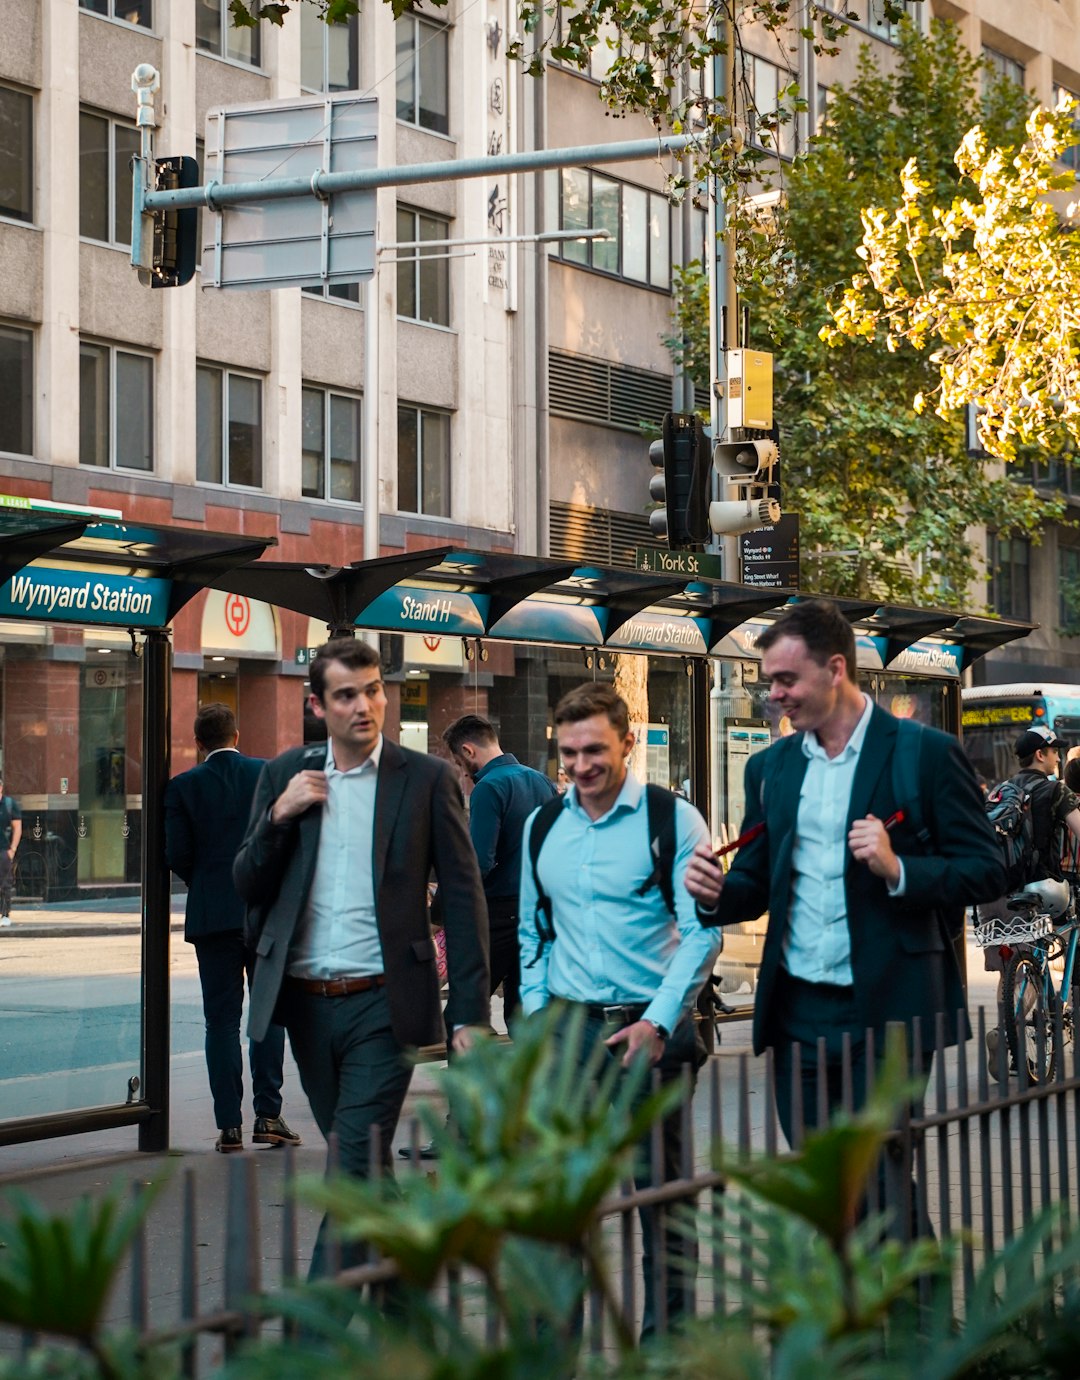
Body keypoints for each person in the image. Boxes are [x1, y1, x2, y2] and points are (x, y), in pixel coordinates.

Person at [684, 600, 1005, 1154]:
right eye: (771, 681)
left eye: (787, 679)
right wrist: (712, 893)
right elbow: (757, 884)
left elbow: (988, 871)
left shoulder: (926, 754)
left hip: (889, 1011)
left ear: (836, 669)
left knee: (877, 1182)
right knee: (822, 1187)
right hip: (798, 1013)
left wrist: (898, 868)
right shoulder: (770, 768)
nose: (775, 694)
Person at [234, 637, 490, 1280]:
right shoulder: (285, 774)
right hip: (306, 1007)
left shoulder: (425, 779)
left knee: (349, 1164)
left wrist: (468, 1014)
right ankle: (411, 1307)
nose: (364, 705)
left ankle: (313, 1338)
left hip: (385, 1006)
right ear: (318, 705)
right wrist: (279, 814)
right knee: (367, 1168)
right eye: (346, 694)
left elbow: (463, 899)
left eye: (373, 689)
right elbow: (245, 882)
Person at [518, 683, 721, 1338]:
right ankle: (559, 1346)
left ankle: (668, 1348)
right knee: (562, 1202)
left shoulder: (672, 820)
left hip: (650, 1028)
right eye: (569, 753)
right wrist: (537, 1015)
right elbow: (531, 933)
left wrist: (658, 1021)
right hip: (571, 1030)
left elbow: (702, 934)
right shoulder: (543, 825)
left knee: (661, 1201)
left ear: (628, 741)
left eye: (595, 750)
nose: (581, 767)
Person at [165, 704, 299, 1155]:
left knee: (219, 1020)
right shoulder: (267, 775)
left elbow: (177, 854)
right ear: (237, 735)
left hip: (212, 916)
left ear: (198, 741)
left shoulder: (181, 787)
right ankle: (268, 1114)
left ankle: (229, 1127)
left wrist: (206, 883)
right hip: (264, 911)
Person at [442, 713, 557, 1024]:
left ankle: (470, 1073)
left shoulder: (489, 788)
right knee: (525, 1017)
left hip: (497, 916)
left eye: (457, 760)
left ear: (468, 751)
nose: (460, 770)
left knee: (466, 1014)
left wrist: (442, 908)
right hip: (538, 915)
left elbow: (478, 862)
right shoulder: (543, 782)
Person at [981, 724, 1080, 1077]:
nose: (1058, 756)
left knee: (1014, 966)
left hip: (993, 892)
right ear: (1041, 754)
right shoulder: (1055, 791)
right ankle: (1010, 1032)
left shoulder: (999, 790)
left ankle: (1008, 1031)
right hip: (1039, 888)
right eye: (1054, 750)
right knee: (1065, 928)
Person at [0, 776, 21, 926]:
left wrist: (12, 849)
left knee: (5, 883)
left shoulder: (9, 804)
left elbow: (17, 827)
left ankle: (5, 914)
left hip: (3, 850)